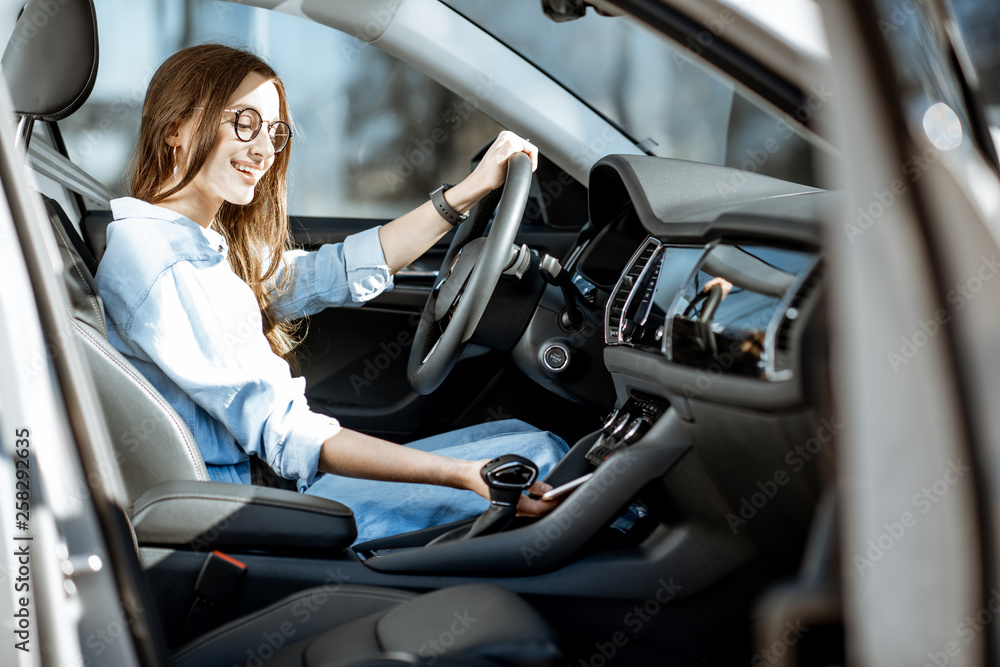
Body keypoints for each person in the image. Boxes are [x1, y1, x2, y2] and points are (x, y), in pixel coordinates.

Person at [95, 44, 569, 543]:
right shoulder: (175, 265)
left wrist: (464, 193)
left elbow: (329, 272)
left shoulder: (182, 244)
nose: (263, 150)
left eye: (273, 132)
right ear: (175, 128)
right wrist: (462, 477)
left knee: (513, 440)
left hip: (261, 494)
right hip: (254, 520)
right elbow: (287, 431)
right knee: (539, 458)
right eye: (244, 123)